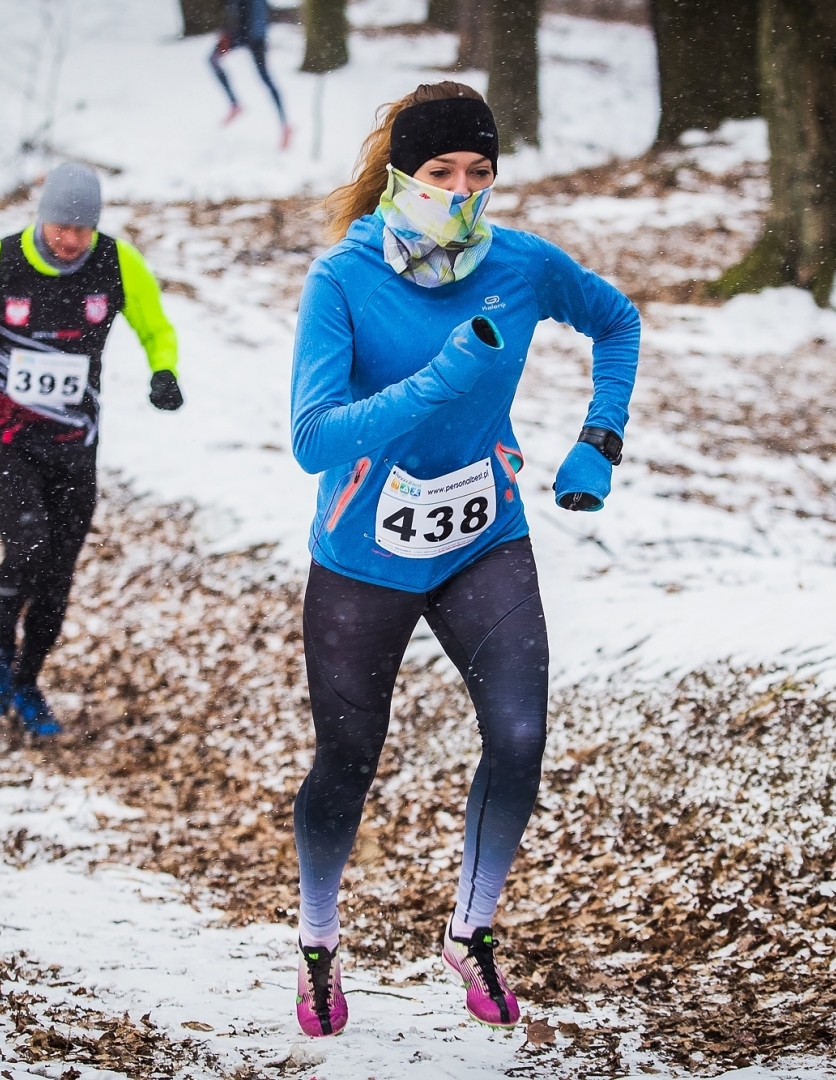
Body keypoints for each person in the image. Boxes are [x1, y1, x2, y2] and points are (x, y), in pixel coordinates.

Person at [287, 83, 640, 1037]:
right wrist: (438, 382)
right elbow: (314, 439)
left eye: (480, 172)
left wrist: (597, 442)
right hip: (365, 550)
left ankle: (470, 931)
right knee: (348, 759)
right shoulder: (343, 280)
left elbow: (618, 321)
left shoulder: (520, 266)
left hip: (483, 536)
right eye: (441, 172)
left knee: (520, 736)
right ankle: (319, 944)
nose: (462, 190)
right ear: (402, 176)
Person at [0, 164, 184, 737]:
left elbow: (155, 326)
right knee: (28, 544)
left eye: (80, 230)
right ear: (41, 218)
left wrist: (163, 372)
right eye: (60, 226)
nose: (68, 240)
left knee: (59, 572)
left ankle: (27, 680)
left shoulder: (117, 264)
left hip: (74, 443)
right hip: (4, 434)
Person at [209, 0, 292, 148]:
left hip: (250, 34)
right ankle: (284, 124)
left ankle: (285, 125)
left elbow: (239, 11)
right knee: (266, 79)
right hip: (252, 34)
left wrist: (228, 35)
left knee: (265, 78)